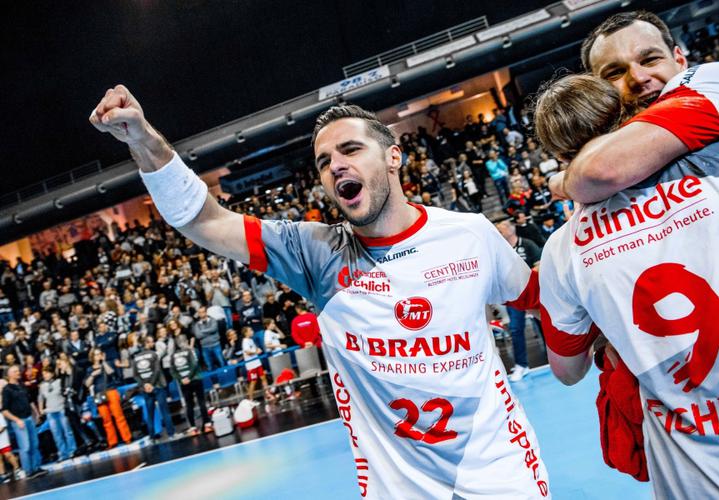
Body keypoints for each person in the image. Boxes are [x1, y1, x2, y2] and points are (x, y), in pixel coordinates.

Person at [90, 89, 548, 498]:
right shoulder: (316, 253)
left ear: (394, 156)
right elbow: (204, 219)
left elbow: (535, 296)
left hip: (502, 478)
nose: (335, 166)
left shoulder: (469, 234)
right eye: (324, 161)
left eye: (351, 149)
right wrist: (144, 140)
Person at [535, 72, 719, 498]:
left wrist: (610, 334)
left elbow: (567, 370)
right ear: (627, 113)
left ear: (558, 154)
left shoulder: (562, 250)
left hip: (699, 472)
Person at [548, 10, 719, 203]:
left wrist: (562, 183)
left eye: (650, 60)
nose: (638, 78)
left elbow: (598, 171)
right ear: (598, 90)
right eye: (615, 73)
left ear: (679, 60)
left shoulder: (717, 81)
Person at [496, 220, 542, 382]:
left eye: (501, 228)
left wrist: (524, 278)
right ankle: (521, 365)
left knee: (544, 324)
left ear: (511, 229)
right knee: (515, 328)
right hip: (514, 295)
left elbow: (540, 265)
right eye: (497, 230)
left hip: (534, 293)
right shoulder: (500, 250)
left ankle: (557, 356)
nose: (499, 231)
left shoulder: (527, 244)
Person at [1, 366, 46, 478]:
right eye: (15, 371)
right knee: (25, 447)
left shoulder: (22, 386)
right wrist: (17, 420)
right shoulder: (7, 390)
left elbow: (30, 401)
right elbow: (5, 411)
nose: (18, 372)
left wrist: (36, 413)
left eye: (18, 370)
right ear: (9, 375)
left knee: (34, 444)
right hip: (19, 421)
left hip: (29, 418)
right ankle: (28, 471)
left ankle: (36, 467)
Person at [85, 348, 131, 448]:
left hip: (111, 391)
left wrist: (104, 362)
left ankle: (127, 438)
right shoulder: (89, 369)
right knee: (106, 420)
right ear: (92, 357)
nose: (98, 356)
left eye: (99, 354)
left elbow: (111, 373)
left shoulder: (108, 363)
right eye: (96, 354)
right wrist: (92, 375)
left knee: (119, 416)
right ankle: (112, 442)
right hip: (99, 394)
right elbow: (87, 384)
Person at [132, 336, 175, 441]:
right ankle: (171, 435)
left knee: (150, 414)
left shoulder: (135, 357)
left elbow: (135, 375)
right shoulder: (153, 354)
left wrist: (144, 385)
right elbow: (157, 370)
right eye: (151, 342)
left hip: (145, 388)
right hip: (157, 386)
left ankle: (152, 437)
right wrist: (151, 384)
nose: (153, 344)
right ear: (146, 343)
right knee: (164, 411)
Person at [170, 335, 210, 435]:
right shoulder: (191, 350)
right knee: (201, 401)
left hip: (184, 382)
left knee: (189, 404)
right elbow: (195, 364)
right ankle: (207, 424)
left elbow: (172, 370)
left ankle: (193, 428)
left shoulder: (173, 355)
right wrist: (189, 377)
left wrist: (181, 379)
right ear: (186, 341)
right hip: (195, 378)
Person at [38, 366, 77, 461]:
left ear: (52, 373)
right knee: (56, 434)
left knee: (67, 431)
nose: (45, 375)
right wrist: (41, 409)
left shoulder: (59, 382)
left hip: (61, 409)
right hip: (50, 412)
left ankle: (72, 450)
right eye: (43, 374)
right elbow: (40, 398)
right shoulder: (42, 386)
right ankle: (63, 453)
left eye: (46, 373)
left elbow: (65, 393)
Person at [192, 305, 224, 371]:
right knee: (209, 366)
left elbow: (214, 329)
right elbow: (198, 335)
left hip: (216, 345)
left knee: (222, 362)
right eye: (200, 312)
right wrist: (209, 331)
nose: (202, 314)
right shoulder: (196, 325)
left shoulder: (213, 320)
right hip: (205, 348)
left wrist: (202, 331)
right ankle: (214, 378)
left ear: (206, 312)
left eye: (203, 312)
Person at [241, 327, 266, 404]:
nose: (252, 331)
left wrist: (258, 350)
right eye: (250, 330)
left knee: (263, 378)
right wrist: (256, 352)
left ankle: (267, 394)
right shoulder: (245, 341)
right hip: (251, 365)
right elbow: (248, 352)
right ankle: (250, 400)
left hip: (257, 362)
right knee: (253, 381)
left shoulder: (251, 340)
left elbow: (255, 349)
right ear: (246, 333)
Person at [0, 410, 22, 482]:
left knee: (8, 455)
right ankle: (3, 475)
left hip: (3, 440)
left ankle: (17, 470)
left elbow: (3, 426)